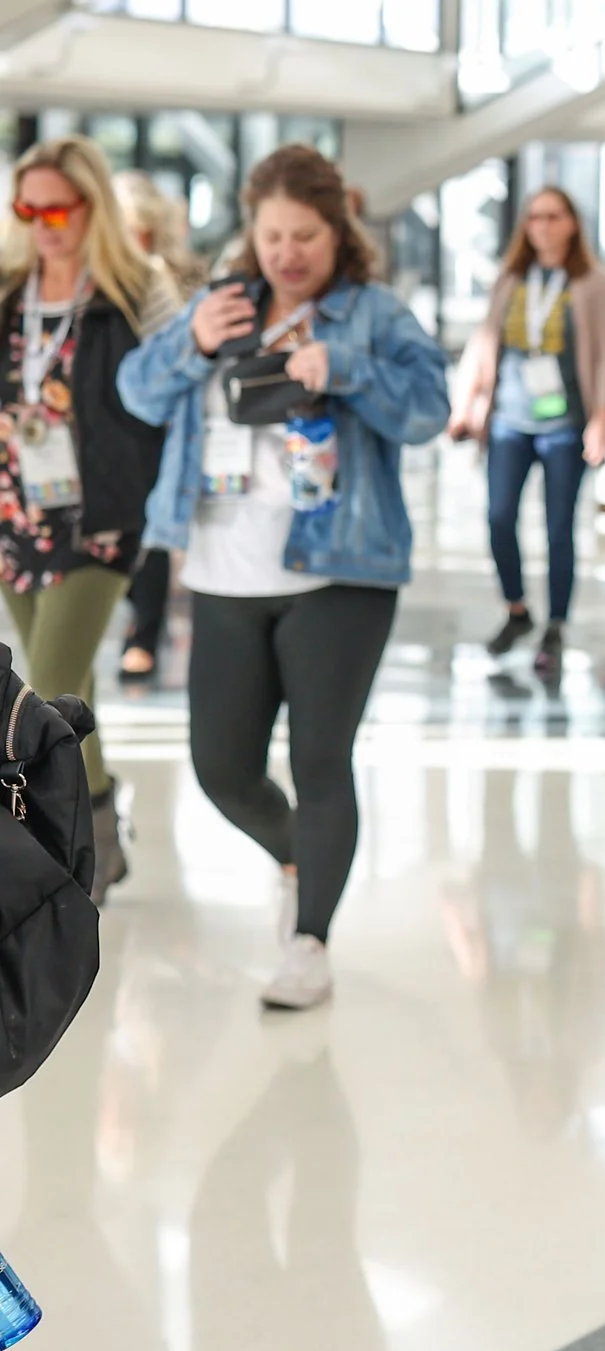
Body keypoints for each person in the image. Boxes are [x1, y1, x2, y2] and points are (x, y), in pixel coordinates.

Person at [120, 142, 449, 1010]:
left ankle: (310, 941)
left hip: (339, 571)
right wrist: (190, 344)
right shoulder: (218, 308)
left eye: (305, 235)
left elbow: (428, 412)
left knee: (320, 757)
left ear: (337, 233)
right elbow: (136, 392)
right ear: (251, 233)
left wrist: (344, 369)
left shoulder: (372, 316)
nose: (288, 253)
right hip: (225, 572)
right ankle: (300, 860)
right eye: (272, 234)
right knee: (221, 766)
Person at [0, 137, 179, 897]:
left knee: (48, 681)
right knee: (73, 691)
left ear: (91, 208)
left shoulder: (137, 288)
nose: (44, 223)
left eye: (58, 208)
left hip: (100, 516)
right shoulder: (10, 289)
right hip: (16, 508)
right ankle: (103, 828)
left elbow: (174, 388)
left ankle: (67, 847)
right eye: (27, 207)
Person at [448, 185, 605, 678]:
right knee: (499, 517)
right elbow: (484, 341)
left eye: (552, 216)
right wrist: (465, 404)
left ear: (572, 223)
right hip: (508, 417)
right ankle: (517, 610)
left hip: (565, 423)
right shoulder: (512, 279)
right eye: (534, 218)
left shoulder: (592, 282)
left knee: (558, 528)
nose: (543, 226)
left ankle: (557, 625)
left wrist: (603, 416)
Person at [111, 170, 201, 685]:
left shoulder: (155, 279)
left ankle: (144, 632)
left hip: (147, 426)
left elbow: (170, 361)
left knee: (146, 533)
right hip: (103, 426)